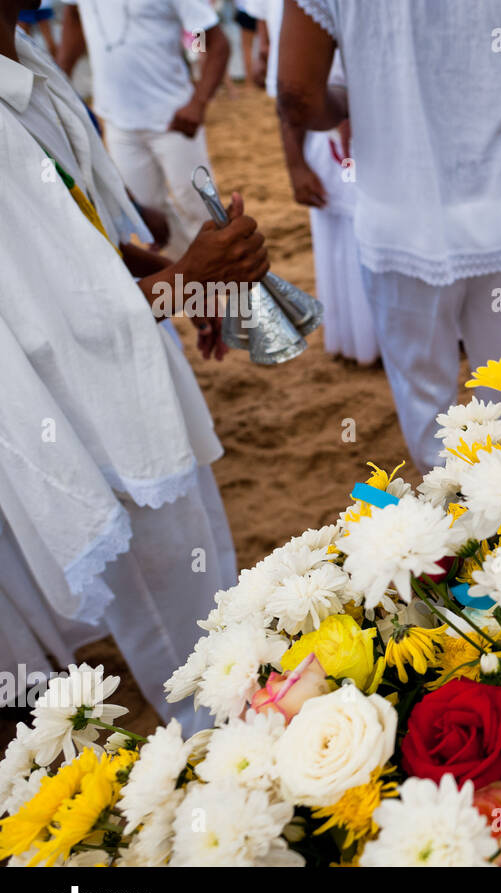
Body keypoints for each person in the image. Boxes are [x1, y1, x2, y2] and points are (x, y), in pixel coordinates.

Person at [1, 0, 270, 734]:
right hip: (86, 415)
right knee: (180, 639)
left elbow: (79, 241)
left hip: (133, 366)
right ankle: (226, 774)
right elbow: (39, 322)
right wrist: (188, 277)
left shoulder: (27, 55)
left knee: (210, 572)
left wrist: (178, 275)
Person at [276, 0, 501, 474]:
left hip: (400, 226)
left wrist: (354, 100)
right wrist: (498, 109)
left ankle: (455, 529)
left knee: (428, 409)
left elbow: (296, 96)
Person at [244, 0, 376, 365]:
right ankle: (363, 345)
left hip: (397, 140)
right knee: (345, 242)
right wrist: (295, 165)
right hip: (333, 141)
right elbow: (292, 97)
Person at [58, 0, 230, 259]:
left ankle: (233, 284)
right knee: (151, 219)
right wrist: (59, 79)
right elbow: (73, 15)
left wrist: (199, 98)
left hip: (174, 119)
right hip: (117, 122)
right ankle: (198, 287)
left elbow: (209, 37)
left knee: (201, 208)